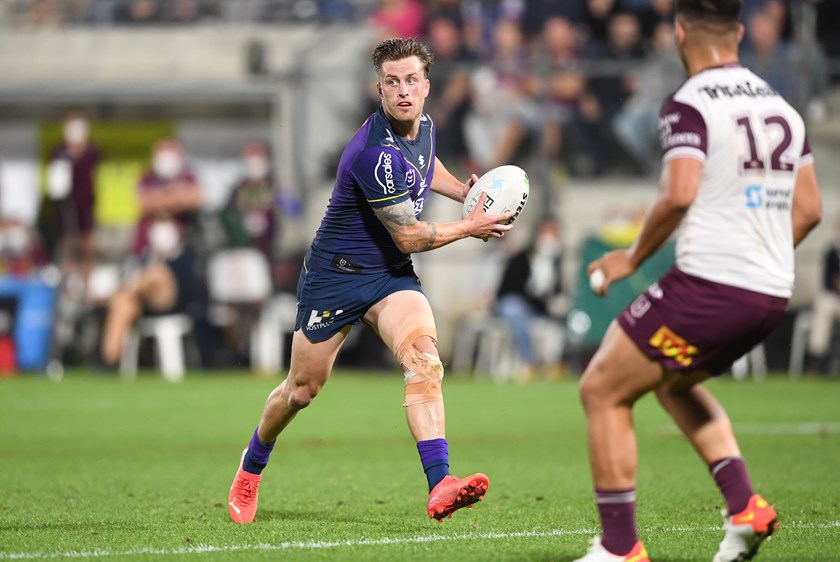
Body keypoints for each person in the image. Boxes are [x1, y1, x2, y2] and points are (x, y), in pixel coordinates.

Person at [227, 38, 514, 525]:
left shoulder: (424, 125)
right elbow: (408, 236)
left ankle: (440, 481)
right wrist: (470, 225)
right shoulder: (373, 154)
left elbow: (424, 167)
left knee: (424, 361)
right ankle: (251, 467)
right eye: (392, 82)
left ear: (426, 85)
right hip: (335, 278)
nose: (403, 91)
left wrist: (461, 191)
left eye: (411, 81)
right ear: (378, 88)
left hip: (389, 278)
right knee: (300, 391)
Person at [573, 1, 822, 561]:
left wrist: (630, 259)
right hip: (769, 291)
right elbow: (809, 210)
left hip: (712, 286)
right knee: (672, 382)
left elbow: (679, 192)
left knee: (601, 389)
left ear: (680, 34)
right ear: (737, 33)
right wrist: (760, 259)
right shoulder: (783, 107)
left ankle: (619, 548)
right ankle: (745, 508)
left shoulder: (688, 103)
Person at [100, 139, 203, 367]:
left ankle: (118, 290)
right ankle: (107, 364)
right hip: (143, 280)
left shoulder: (188, 177)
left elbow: (194, 197)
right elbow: (143, 200)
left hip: (174, 284)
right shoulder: (147, 178)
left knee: (154, 274)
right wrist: (173, 198)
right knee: (124, 304)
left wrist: (162, 200)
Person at [494, 217, 565, 380]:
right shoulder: (522, 257)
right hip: (515, 306)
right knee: (513, 309)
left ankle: (555, 363)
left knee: (558, 320)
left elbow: (556, 290)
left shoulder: (555, 262)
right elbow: (508, 289)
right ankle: (528, 361)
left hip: (539, 309)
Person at [807, 215, 840, 373]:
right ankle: (817, 357)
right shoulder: (831, 250)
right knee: (823, 306)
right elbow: (827, 281)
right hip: (833, 297)